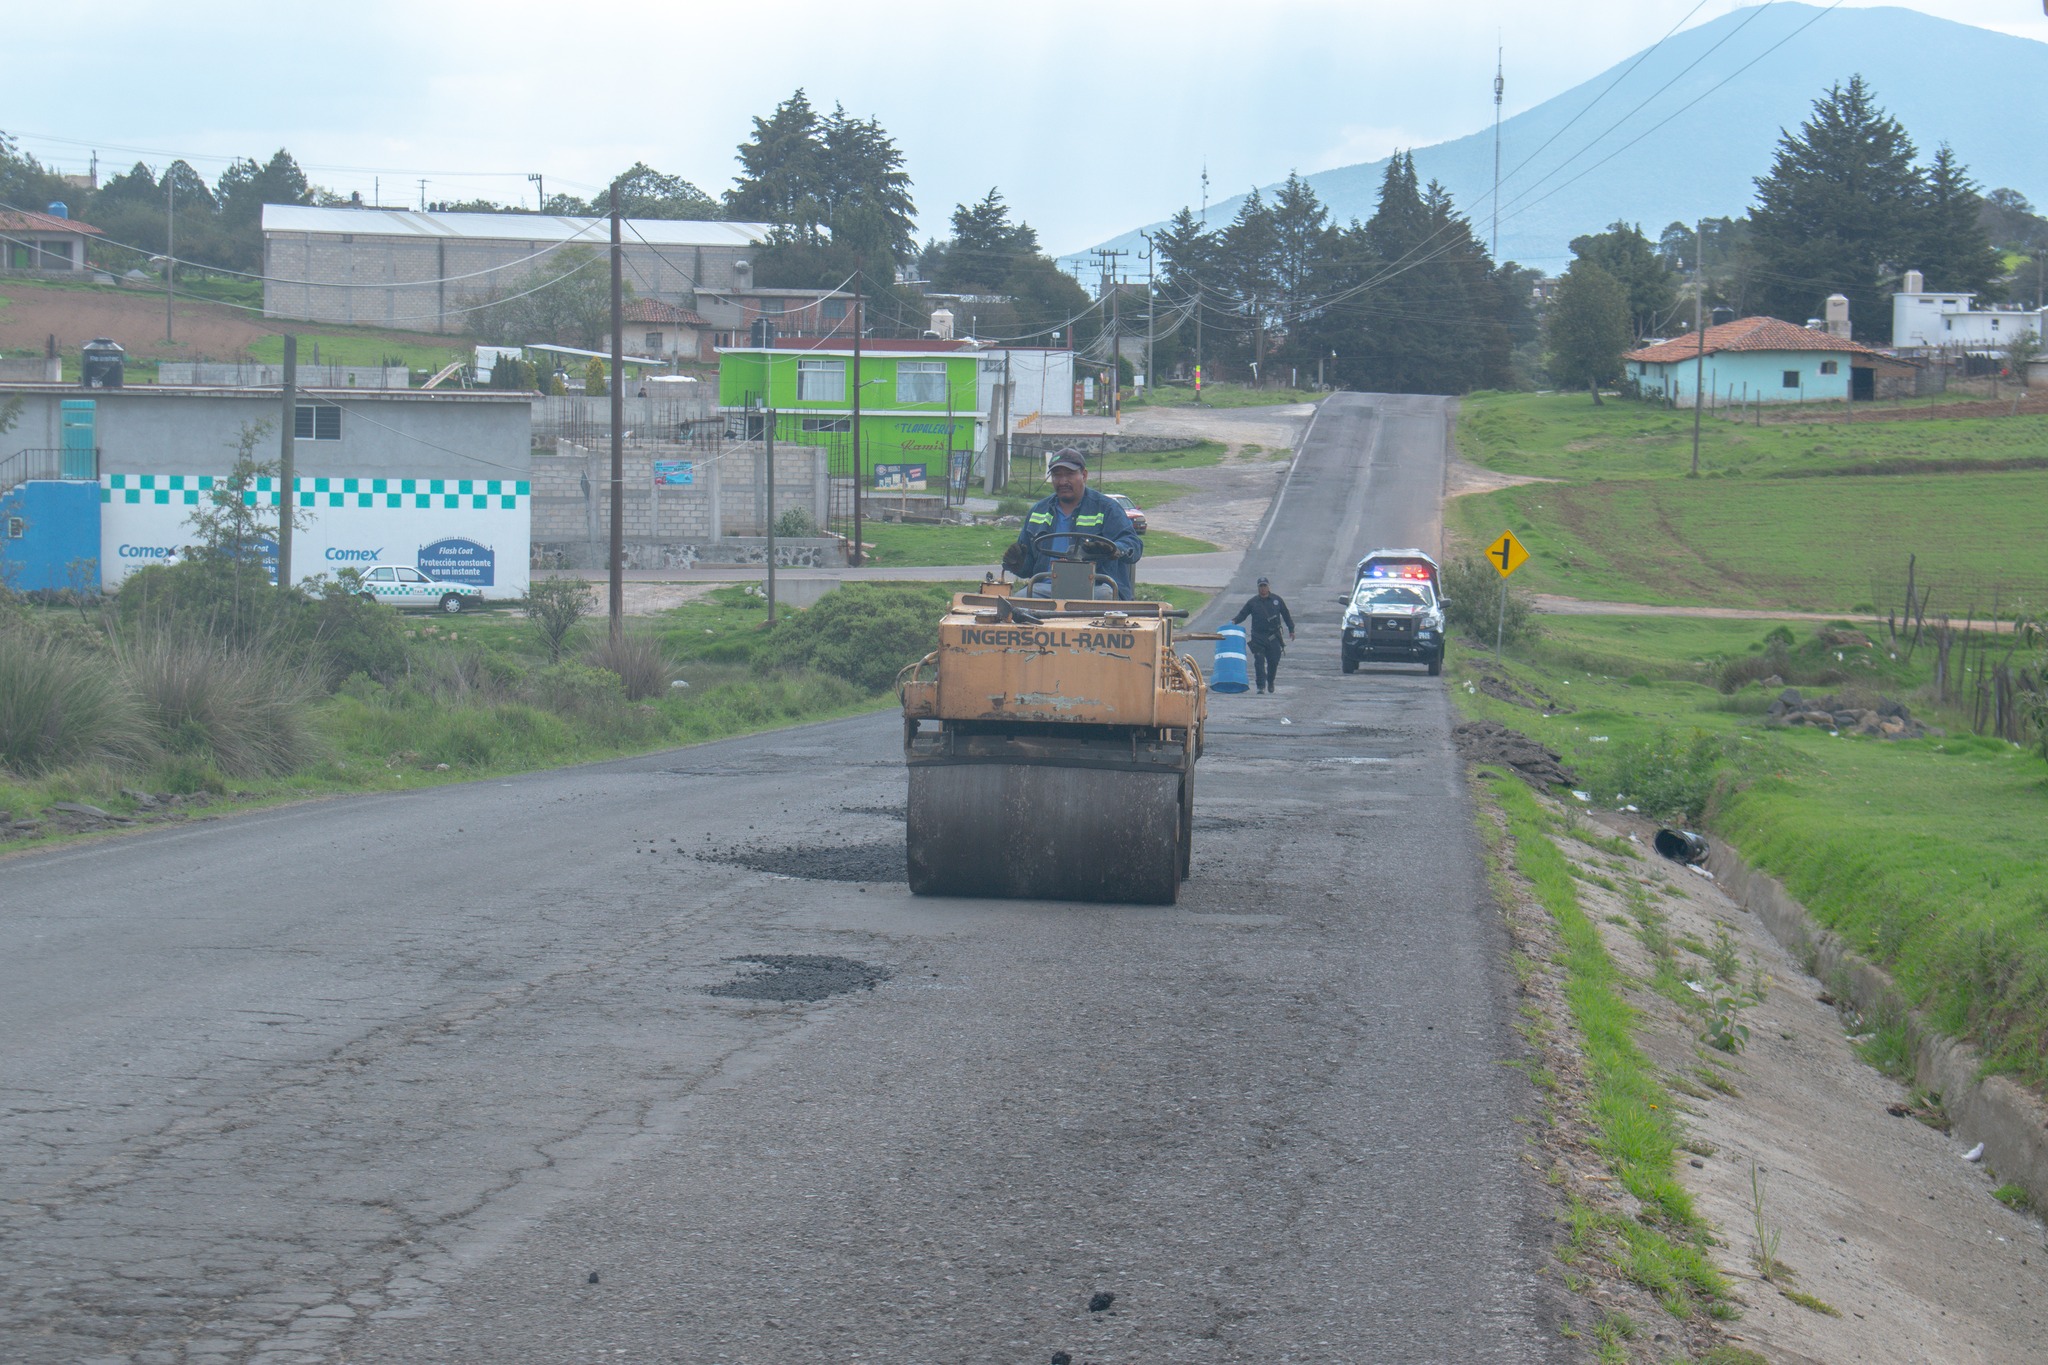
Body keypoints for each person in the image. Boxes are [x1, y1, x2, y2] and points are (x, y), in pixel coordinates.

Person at [1000, 447, 1142, 599]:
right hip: (1047, 590)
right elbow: (1028, 568)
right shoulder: (1038, 511)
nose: (1062, 481)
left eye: (1069, 474)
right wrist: (1017, 563)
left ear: (1084, 475)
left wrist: (1114, 549)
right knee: (1018, 600)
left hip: (1095, 589)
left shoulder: (1107, 509)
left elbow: (1133, 544)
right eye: (1057, 475)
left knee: (1106, 595)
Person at [1232, 576, 1295, 693]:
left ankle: (1270, 681)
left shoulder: (1277, 600)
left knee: (1273, 662)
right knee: (1259, 662)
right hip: (1258, 637)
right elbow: (1243, 614)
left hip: (1274, 637)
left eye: (1265, 586)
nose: (1263, 588)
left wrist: (1291, 629)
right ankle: (1261, 686)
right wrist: (1233, 622)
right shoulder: (1252, 602)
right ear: (1258, 588)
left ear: (1268, 586)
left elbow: (1286, 615)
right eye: (1260, 586)